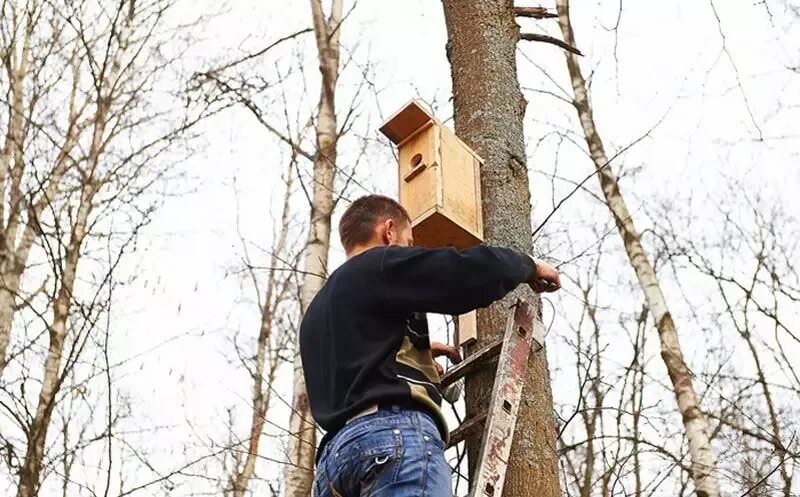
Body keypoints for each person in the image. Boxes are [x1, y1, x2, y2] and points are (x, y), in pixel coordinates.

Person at [300, 194, 561, 497]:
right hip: (391, 437)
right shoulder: (378, 264)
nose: (408, 251)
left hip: (334, 463)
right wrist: (525, 265)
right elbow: (459, 275)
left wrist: (414, 353)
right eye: (408, 242)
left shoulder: (317, 311)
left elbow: (359, 360)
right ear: (388, 230)